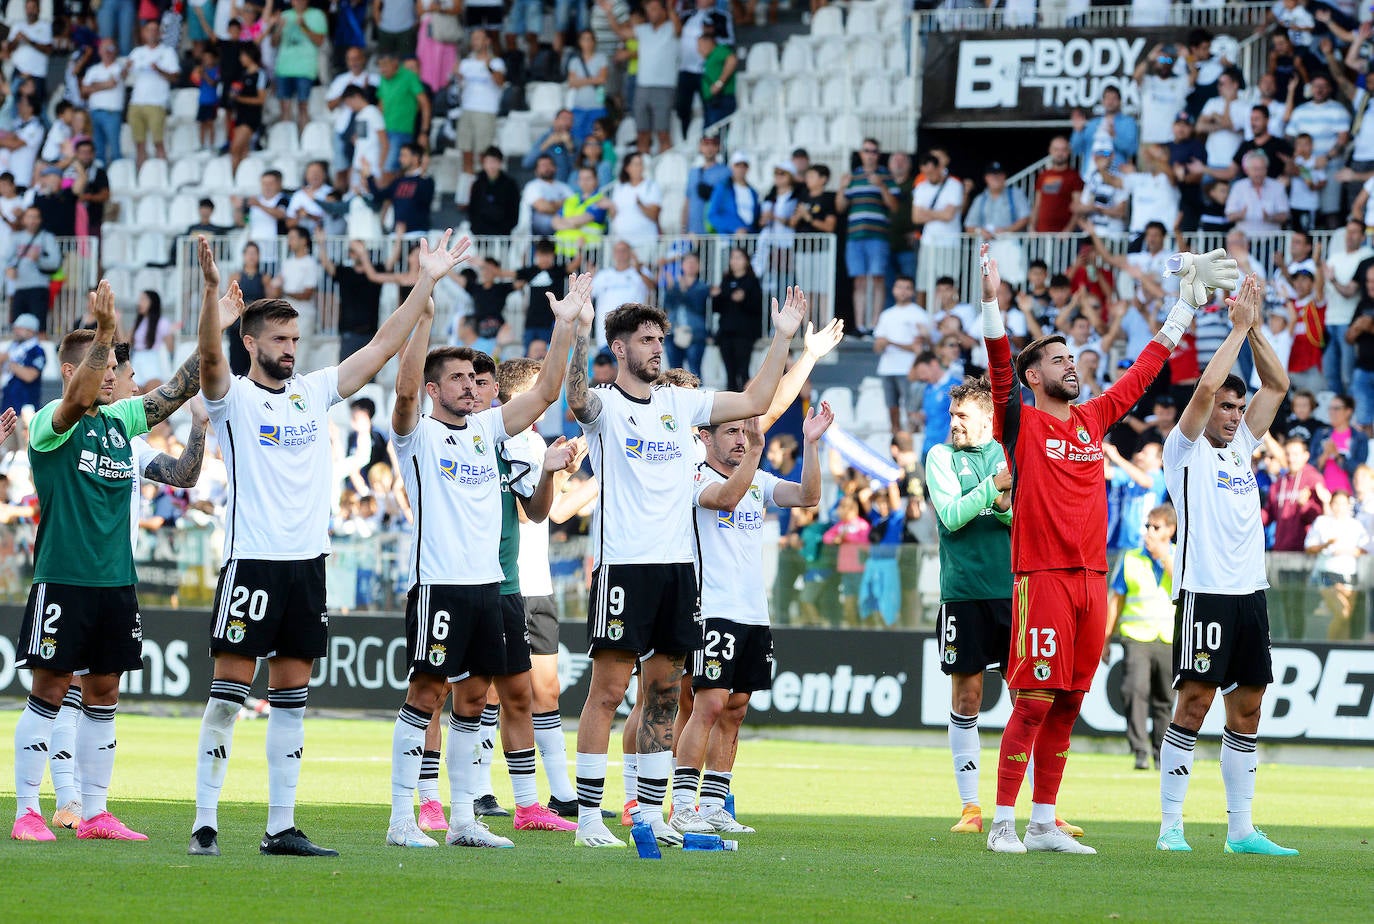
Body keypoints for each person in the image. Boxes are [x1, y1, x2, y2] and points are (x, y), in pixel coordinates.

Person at [187, 230, 472, 858]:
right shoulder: (231, 397)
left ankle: (280, 827)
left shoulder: (314, 391)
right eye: (279, 340)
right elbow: (209, 362)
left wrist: (426, 281)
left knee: (292, 698)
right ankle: (205, 820)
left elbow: (381, 347)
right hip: (253, 564)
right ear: (250, 342)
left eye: (295, 340)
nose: (290, 350)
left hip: (307, 566)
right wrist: (212, 294)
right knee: (229, 696)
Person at [981, 241, 1238, 855]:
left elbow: (1144, 370)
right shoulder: (1019, 421)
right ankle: (1001, 824)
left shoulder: (1093, 419)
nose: (1072, 365)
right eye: (1058, 360)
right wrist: (992, 306)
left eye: (1073, 357)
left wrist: (1181, 310)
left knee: (1069, 700)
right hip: (1040, 576)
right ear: (1033, 377)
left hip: (1094, 580)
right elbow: (996, 368)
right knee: (1034, 701)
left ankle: (1044, 823)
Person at [563, 287, 807, 849]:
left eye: (659, 340)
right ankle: (590, 819)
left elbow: (754, 400)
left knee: (666, 693)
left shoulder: (681, 406)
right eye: (646, 341)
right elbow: (575, 397)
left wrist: (785, 336)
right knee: (607, 691)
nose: (657, 349)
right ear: (619, 349)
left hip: (679, 572)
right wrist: (577, 330)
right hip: (626, 567)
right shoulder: (606, 404)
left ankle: (653, 817)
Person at [384, 273, 584, 848]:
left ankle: (466, 819)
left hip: (489, 589)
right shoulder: (416, 435)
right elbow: (401, 393)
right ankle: (402, 819)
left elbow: (545, 391)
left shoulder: (487, 430)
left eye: (475, 379)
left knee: (474, 700)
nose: (471, 387)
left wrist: (565, 325)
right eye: (457, 380)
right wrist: (423, 316)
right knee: (427, 696)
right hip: (440, 587)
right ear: (432, 388)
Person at [9, 277, 205, 843]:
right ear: (77, 371)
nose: (119, 378)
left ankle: (94, 813)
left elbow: (177, 387)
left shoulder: (120, 426)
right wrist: (106, 331)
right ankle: (27, 811)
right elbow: (76, 399)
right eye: (110, 368)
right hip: (64, 580)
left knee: (103, 694)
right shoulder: (52, 421)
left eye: (117, 370)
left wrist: (217, 325)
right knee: (50, 690)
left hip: (117, 583)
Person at [1158, 273, 1298, 856]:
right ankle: (1171, 826)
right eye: (1228, 406)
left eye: (1241, 407)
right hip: (1204, 591)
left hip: (1250, 594)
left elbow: (1279, 383)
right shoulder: (1183, 449)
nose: (1235, 414)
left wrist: (1256, 327)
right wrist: (1236, 328)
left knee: (1248, 706)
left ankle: (1240, 830)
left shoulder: (1243, 443)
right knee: (1194, 702)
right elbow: (1201, 390)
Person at [670, 404, 832, 836]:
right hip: (712, 608)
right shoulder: (697, 477)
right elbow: (724, 498)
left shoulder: (757, 480)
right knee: (709, 703)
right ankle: (683, 805)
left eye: (746, 432)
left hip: (752, 612)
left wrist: (812, 445)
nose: (742, 439)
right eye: (731, 432)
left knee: (737, 708)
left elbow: (808, 498)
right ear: (705, 437)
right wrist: (758, 454)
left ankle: (715, 803)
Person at [925, 377, 1012, 835]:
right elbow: (952, 516)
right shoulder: (940, 457)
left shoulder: (1007, 451)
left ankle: (1036, 807)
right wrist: (993, 492)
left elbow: (1020, 514)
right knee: (967, 696)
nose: (954, 423)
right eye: (951, 415)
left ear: (986, 418)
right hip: (962, 593)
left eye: (962, 416)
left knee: (1027, 698)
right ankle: (972, 808)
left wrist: (997, 505)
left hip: (1015, 591)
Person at [1103, 503, 1176, 771]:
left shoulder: (1179, 556)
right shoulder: (1131, 557)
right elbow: (1116, 600)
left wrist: (1164, 557)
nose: (1149, 532)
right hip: (1136, 637)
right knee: (1134, 691)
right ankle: (1139, 751)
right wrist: (1105, 638)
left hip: (1168, 638)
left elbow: (1183, 583)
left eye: (1155, 527)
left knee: (1165, 700)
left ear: (1170, 530)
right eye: (1147, 526)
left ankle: (1161, 752)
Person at [872, 276, 932, 433]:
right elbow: (877, 346)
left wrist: (890, 343)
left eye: (907, 288)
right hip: (887, 368)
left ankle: (911, 441)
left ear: (912, 291)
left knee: (911, 408)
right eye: (899, 287)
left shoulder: (919, 314)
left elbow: (917, 347)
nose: (903, 291)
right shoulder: (886, 314)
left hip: (909, 369)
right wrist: (883, 343)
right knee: (892, 408)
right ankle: (896, 439)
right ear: (893, 290)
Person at [126, 20, 179, 167]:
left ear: (160, 33)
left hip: (157, 103)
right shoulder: (137, 52)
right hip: (136, 103)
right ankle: (141, 178)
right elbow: (123, 76)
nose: (152, 33)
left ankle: (162, 176)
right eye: (149, 30)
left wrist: (159, 70)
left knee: (158, 142)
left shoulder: (167, 52)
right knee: (139, 145)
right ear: (144, 33)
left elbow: (175, 77)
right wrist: (125, 68)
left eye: (155, 30)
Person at [711, 246, 764, 392]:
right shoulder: (726, 280)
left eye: (739, 257)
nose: (735, 261)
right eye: (733, 257)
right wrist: (716, 297)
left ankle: (745, 408)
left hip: (744, 334)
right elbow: (717, 308)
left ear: (746, 261)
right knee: (730, 374)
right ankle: (731, 410)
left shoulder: (752, 281)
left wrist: (743, 299)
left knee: (743, 371)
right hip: (726, 333)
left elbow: (757, 307)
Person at [454, 33, 505, 178]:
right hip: (467, 109)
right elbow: (458, 87)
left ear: (487, 41)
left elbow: (500, 82)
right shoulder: (465, 63)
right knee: (466, 151)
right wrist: (457, 75)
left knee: (484, 152)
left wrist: (488, 67)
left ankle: (484, 184)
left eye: (478, 38)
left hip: (486, 110)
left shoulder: (497, 62)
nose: (474, 42)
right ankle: (468, 189)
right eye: (473, 38)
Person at [273, 0, 328, 131]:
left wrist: (304, 26)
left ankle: (304, 140)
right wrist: (279, 28)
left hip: (305, 68)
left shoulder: (317, 15)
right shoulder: (285, 15)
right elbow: (274, 43)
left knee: (303, 106)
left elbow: (320, 41)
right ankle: (286, 141)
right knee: (284, 107)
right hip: (284, 68)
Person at [377, 55, 431, 179]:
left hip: (402, 131)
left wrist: (424, 131)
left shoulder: (409, 76)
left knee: (389, 170)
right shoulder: (383, 79)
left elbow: (425, 104)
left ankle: (387, 198)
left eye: (385, 65)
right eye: (380, 66)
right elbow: (381, 105)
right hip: (384, 132)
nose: (382, 69)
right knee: (383, 169)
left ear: (395, 62)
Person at [365, 143, 435, 234]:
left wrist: (423, 169)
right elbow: (379, 196)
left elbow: (425, 199)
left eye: (404, 156)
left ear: (415, 158)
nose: (400, 159)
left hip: (418, 234)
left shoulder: (426, 180)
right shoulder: (398, 181)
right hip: (398, 234)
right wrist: (369, 176)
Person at [1031, 136, 1084, 234]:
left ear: (1068, 152)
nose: (1060, 153)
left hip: (1064, 236)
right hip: (1042, 233)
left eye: (1063, 150)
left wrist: (1068, 230)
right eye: (1056, 149)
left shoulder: (1074, 176)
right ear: (1050, 151)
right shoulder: (1043, 176)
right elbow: (1037, 204)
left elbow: (1078, 207)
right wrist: (1032, 227)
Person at [467, 146, 521, 236]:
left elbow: (514, 210)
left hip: (503, 233)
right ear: (483, 164)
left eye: (494, 162)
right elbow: (473, 209)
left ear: (500, 163)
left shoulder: (510, 184)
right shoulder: (477, 184)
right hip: (481, 234)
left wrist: (506, 227)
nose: (491, 166)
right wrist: (476, 229)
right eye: (488, 162)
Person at [707, 150, 760, 235]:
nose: (741, 169)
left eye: (744, 166)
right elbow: (712, 215)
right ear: (731, 167)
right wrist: (734, 228)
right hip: (729, 240)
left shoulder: (753, 193)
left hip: (748, 241)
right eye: (737, 165)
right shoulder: (722, 188)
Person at [1, 312, 44, 415]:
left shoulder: (36, 351)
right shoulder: (13, 347)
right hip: (7, 407)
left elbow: (30, 376)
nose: (15, 331)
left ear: (31, 331)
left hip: (25, 409)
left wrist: (11, 362)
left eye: (20, 329)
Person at [521, 154, 574, 237]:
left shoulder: (564, 187)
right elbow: (543, 207)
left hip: (564, 220)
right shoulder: (532, 186)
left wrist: (552, 203)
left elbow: (574, 204)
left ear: (555, 168)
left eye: (550, 164)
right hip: (539, 226)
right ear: (536, 170)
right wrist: (562, 203)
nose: (547, 168)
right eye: (543, 165)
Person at [523, 110, 577, 184]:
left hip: (567, 188)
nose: (566, 123)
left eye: (570, 120)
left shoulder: (576, 141)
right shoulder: (543, 138)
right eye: (564, 119)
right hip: (546, 186)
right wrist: (547, 143)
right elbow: (527, 164)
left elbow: (576, 170)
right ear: (555, 120)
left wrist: (570, 147)